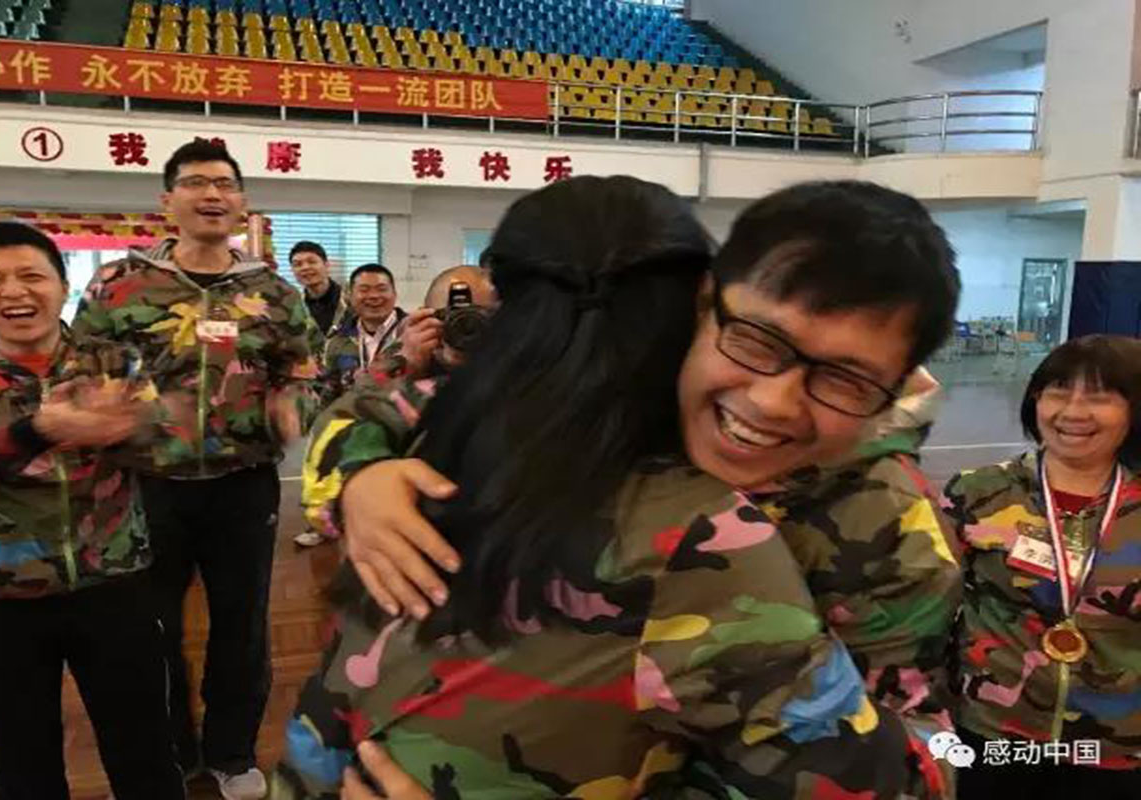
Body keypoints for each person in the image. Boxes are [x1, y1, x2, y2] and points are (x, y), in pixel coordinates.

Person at [273, 176, 947, 800]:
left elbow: (933, 756)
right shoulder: (596, 417)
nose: (772, 401)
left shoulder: (884, 524)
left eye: (846, 380)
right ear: (703, 307)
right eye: (757, 340)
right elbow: (377, 408)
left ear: (901, 387)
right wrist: (361, 479)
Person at [73, 140, 319, 800]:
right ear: (168, 201)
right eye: (195, 183)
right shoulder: (119, 284)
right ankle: (174, 752)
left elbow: (301, 372)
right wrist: (120, 411)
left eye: (225, 184)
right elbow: (85, 373)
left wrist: (291, 407)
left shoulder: (274, 292)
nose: (212, 194)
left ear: (242, 203)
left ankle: (232, 751)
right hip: (144, 484)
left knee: (243, 626)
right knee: (151, 628)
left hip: (244, 485)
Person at [0, 222, 185, 800]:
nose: (14, 292)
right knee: (22, 769)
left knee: (147, 758)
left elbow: (169, 450)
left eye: (31, 275)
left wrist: (135, 427)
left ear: (62, 283)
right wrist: (37, 429)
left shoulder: (114, 362)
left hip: (115, 590)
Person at [944, 335, 1141, 798]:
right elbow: (930, 607)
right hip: (994, 734)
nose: (1072, 412)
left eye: (1099, 397)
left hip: (1115, 746)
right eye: (1057, 392)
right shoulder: (978, 492)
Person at [296, 265, 496, 547]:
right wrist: (406, 364)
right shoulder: (402, 361)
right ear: (427, 316)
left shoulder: (523, 371)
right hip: (408, 539)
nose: (468, 326)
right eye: (452, 316)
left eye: (484, 316)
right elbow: (338, 421)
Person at [319, 263, 407, 404]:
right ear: (351, 296)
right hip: (353, 415)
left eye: (381, 289)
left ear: (394, 294)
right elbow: (329, 395)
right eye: (364, 290)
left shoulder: (414, 333)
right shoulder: (338, 341)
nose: (373, 296)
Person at [290, 240, 347, 337]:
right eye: (298, 264)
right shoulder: (294, 306)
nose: (305, 268)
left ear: (326, 265)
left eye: (311, 262)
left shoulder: (350, 299)